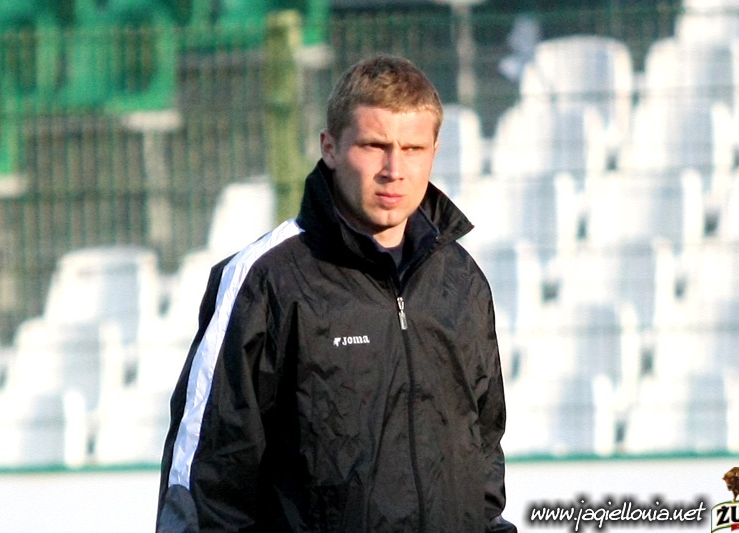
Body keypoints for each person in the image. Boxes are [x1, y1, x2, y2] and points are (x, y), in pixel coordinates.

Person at [156, 54, 517, 532]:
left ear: (434, 151)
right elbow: (207, 480)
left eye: (413, 148)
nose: (394, 169)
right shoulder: (264, 280)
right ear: (330, 148)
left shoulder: (462, 280)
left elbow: (483, 452)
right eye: (373, 146)